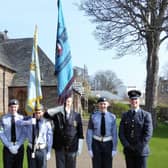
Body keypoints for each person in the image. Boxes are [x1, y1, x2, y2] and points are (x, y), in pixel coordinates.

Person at [44, 95, 84, 168]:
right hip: (60, 146)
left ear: (71, 103)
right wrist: (58, 109)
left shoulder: (77, 115)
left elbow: (80, 133)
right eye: (65, 101)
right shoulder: (57, 115)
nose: (67, 103)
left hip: (72, 146)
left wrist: (80, 147)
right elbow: (45, 115)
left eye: (69, 101)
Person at [119, 90, 153, 168]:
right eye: (132, 99)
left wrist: (139, 146)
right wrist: (127, 145)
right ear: (129, 101)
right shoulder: (125, 115)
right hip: (128, 151)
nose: (134, 101)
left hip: (141, 151)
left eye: (136, 99)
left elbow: (148, 133)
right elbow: (121, 133)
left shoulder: (146, 115)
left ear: (139, 100)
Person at [86, 97, 118, 168]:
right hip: (96, 144)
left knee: (108, 166)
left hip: (108, 144)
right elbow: (89, 132)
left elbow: (114, 133)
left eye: (104, 104)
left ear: (108, 104)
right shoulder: (93, 116)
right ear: (98, 105)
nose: (102, 106)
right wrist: (89, 148)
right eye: (101, 104)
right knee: (96, 165)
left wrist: (114, 148)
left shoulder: (112, 117)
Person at [22, 104, 53, 168]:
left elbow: (49, 138)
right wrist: (28, 122)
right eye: (36, 113)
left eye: (39, 113)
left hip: (42, 149)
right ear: (34, 112)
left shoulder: (46, 123)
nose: (38, 114)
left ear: (43, 112)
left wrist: (49, 151)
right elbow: (19, 122)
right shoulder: (29, 120)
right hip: (31, 149)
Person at [0, 99, 25, 168]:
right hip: (8, 147)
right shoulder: (3, 119)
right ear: (9, 107)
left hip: (19, 147)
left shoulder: (22, 118)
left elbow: (24, 133)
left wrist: (18, 145)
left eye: (15, 107)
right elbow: (1, 133)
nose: (13, 109)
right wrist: (9, 145)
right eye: (11, 107)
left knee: (19, 166)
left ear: (18, 107)